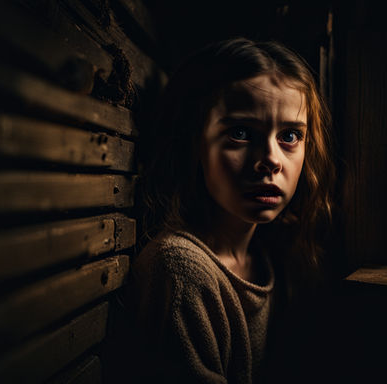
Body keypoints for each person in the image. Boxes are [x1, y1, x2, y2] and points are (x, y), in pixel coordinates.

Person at [123, 37, 335, 383]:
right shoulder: (182, 272)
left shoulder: (270, 256)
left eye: (290, 136)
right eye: (240, 132)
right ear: (193, 141)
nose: (270, 159)